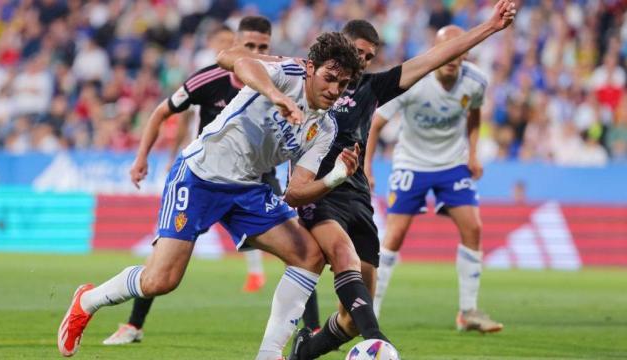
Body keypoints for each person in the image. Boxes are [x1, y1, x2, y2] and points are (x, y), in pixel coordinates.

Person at [57, 31, 362, 360]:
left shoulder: (325, 129)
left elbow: (295, 193)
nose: (334, 89)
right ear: (312, 68)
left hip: (247, 188)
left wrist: (335, 177)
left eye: (342, 84)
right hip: (199, 177)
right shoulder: (288, 74)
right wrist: (276, 96)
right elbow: (240, 62)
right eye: (329, 78)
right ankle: (87, 301)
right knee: (160, 280)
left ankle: (269, 354)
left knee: (309, 256)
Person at [283, 1, 515, 358]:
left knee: (349, 318)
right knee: (345, 262)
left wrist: (489, 27)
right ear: (340, 48)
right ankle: (379, 342)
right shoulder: (308, 78)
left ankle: (303, 353)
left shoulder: (373, 88)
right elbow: (258, 70)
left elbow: (434, 58)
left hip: (356, 195)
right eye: (357, 52)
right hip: (319, 190)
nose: (361, 60)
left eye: (368, 56)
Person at [100, 16, 320, 346]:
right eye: (250, 46)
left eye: (263, 47)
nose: (257, 52)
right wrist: (143, 157)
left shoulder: (280, 78)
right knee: (163, 267)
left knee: (303, 250)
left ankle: (311, 329)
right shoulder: (210, 79)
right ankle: (134, 323)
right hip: (205, 175)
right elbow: (164, 112)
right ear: (236, 46)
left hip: (256, 180)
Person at [366, 25, 503, 333]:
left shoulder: (476, 81)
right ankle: (371, 310)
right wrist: (368, 167)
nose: (452, 57)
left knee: (473, 228)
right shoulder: (413, 80)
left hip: (452, 164)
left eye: (458, 50)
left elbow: (475, 114)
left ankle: (468, 312)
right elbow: (376, 123)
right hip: (411, 164)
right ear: (435, 52)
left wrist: (472, 154)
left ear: (466, 52)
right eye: (446, 51)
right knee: (395, 235)